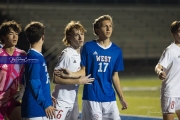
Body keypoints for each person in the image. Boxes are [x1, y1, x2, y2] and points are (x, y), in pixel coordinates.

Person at [58, 15, 128, 120]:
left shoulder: (117, 51)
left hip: (109, 98)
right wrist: (71, 74)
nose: (109, 29)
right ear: (97, 30)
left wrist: (121, 98)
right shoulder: (88, 47)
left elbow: (115, 76)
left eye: (110, 26)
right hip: (92, 97)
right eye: (105, 26)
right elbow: (83, 71)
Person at [52, 21, 94, 120]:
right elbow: (55, 79)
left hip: (73, 100)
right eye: (77, 35)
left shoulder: (82, 54)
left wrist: (72, 75)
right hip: (61, 100)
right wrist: (78, 81)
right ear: (69, 37)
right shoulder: (67, 54)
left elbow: (83, 72)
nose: (81, 38)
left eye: (82, 34)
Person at [21, 21, 57, 120]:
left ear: (28, 38)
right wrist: (45, 103)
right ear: (43, 37)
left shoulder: (35, 56)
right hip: (35, 110)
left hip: (39, 109)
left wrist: (47, 95)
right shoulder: (34, 57)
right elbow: (33, 82)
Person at [0, 20, 26, 120]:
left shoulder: (22, 55)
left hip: (12, 99)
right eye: (11, 34)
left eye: (16, 34)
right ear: (3, 37)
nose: (15, 37)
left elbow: (23, 76)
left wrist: (22, 90)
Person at [155, 21, 180, 120]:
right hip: (171, 93)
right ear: (173, 34)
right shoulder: (170, 50)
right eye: (179, 31)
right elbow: (158, 66)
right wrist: (160, 72)